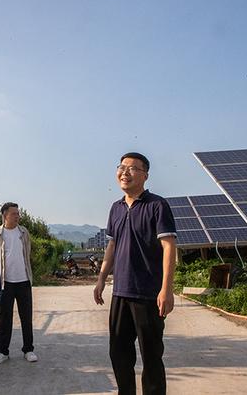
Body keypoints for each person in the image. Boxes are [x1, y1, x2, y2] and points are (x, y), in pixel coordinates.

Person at [93, 152, 177, 395]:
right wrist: (101, 279)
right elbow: (112, 245)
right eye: (121, 167)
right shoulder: (116, 208)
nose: (125, 172)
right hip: (120, 291)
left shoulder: (157, 205)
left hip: (148, 293)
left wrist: (166, 289)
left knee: (151, 356)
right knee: (118, 353)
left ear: (145, 175)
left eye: (132, 168)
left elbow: (169, 246)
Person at [0, 202, 37, 365]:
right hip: (5, 283)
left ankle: (28, 349)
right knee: (4, 318)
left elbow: (27, 252)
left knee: (27, 317)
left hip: (24, 280)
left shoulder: (23, 232)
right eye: (14, 214)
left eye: (18, 213)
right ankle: (2, 351)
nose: (17, 216)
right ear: (5, 216)